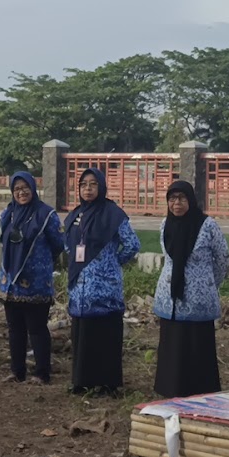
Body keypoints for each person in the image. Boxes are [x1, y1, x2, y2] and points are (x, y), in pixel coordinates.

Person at [64, 167, 141, 394]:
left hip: (105, 289)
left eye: (93, 184)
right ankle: (82, 381)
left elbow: (132, 244)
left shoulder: (113, 214)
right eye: (83, 185)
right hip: (80, 289)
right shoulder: (75, 215)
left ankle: (107, 384)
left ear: (102, 186)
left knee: (105, 335)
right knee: (82, 334)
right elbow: (67, 244)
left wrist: (112, 263)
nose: (87, 189)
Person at [152, 180, 229, 398]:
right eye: (172, 199)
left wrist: (209, 283)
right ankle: (170, 388)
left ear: (191, 200)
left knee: (196, 344)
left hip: (199, 298)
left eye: (182, 198)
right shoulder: (165, 224)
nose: (176, 203)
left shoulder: (207, 225)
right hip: (170, 298)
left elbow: (223, 257)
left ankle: (199, 389)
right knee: (172, 344)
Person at [0, 171, 65, 383]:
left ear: (33, 188)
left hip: (36, 283)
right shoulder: (8, 214)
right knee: (15, 329)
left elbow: (58, 244)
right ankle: (17, 371)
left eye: (25, 187)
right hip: (11, 283)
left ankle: (42, 373)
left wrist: (40, 261)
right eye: (16, 189)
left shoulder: (46, 215)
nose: (21, 192)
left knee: (37, 329)